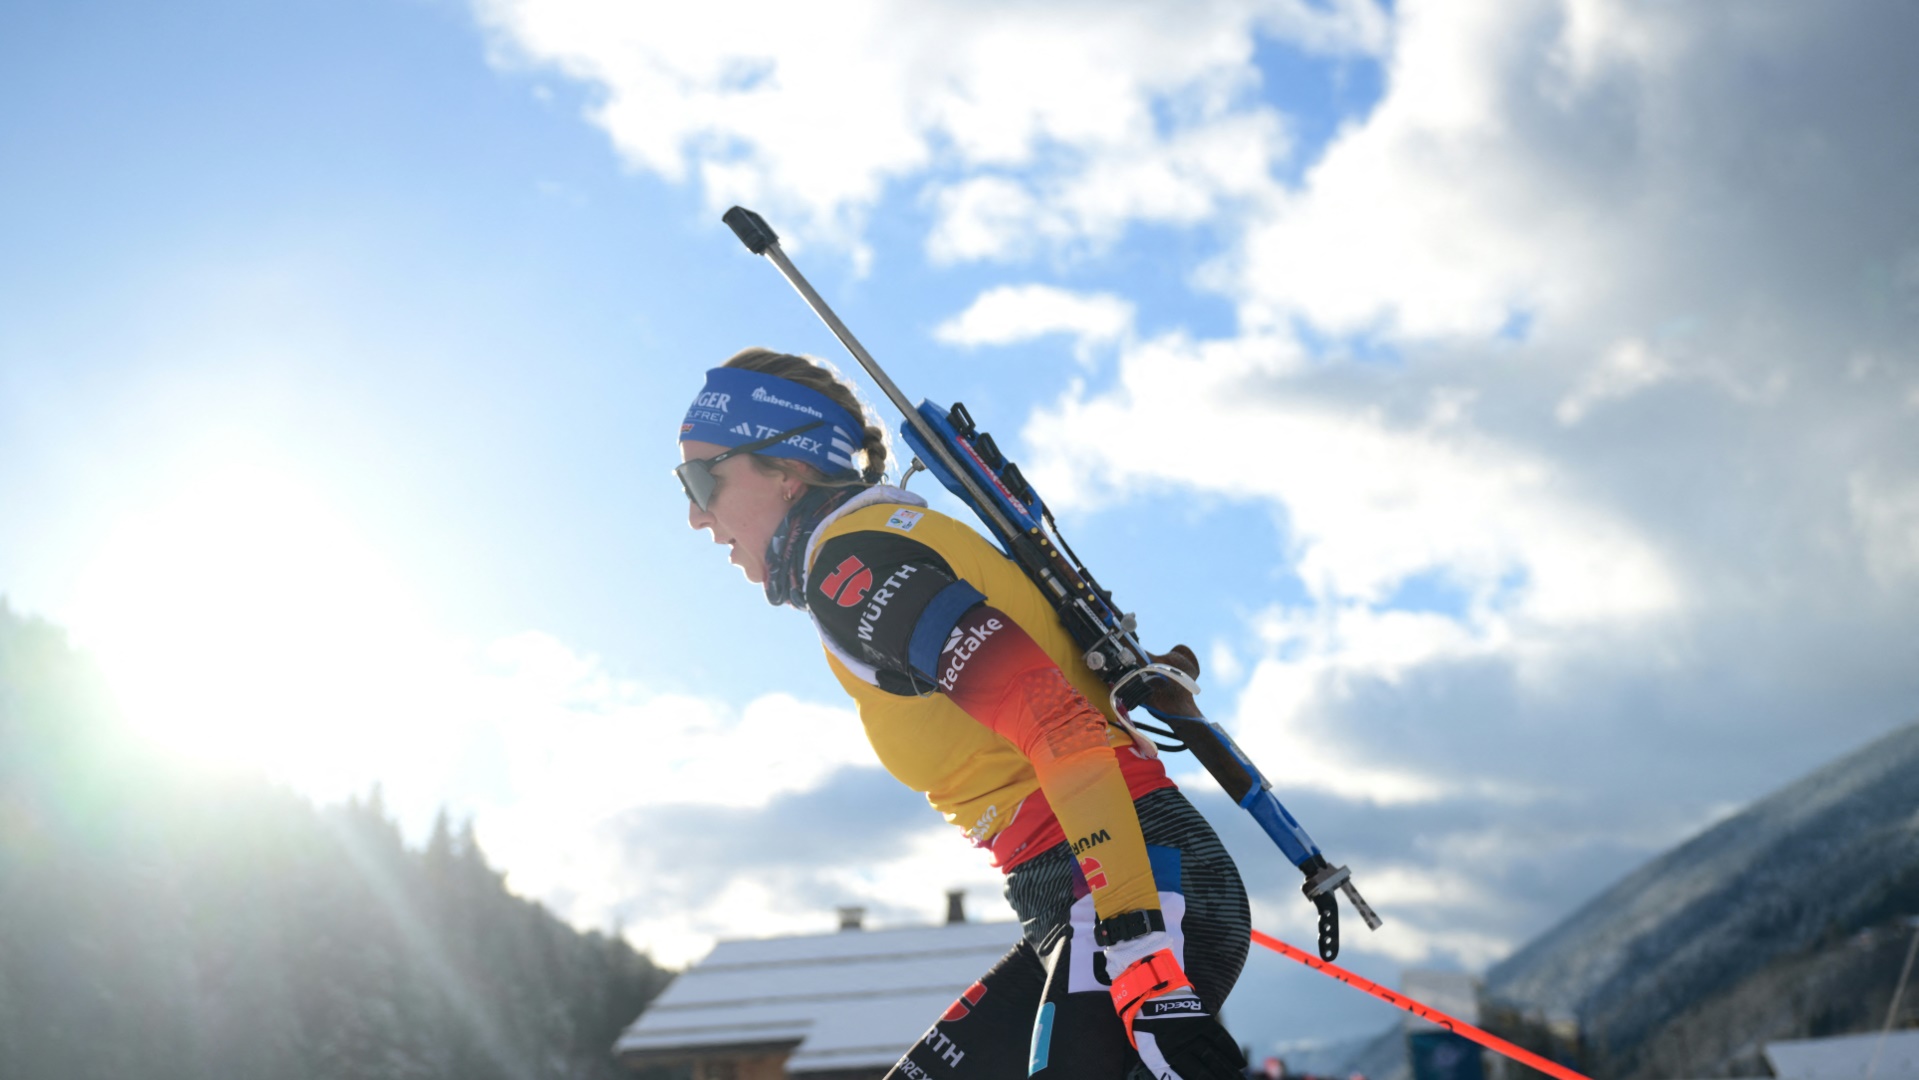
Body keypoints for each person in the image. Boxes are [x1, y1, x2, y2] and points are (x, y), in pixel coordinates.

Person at [676, 348, 1251, 1079]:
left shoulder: (853, 570)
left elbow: (1053, 721)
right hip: (1096, 889)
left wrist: (1138, 944)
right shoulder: (886, 536)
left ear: (785, 470)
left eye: (704, 479)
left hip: (1127, 884)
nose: (696, 515)